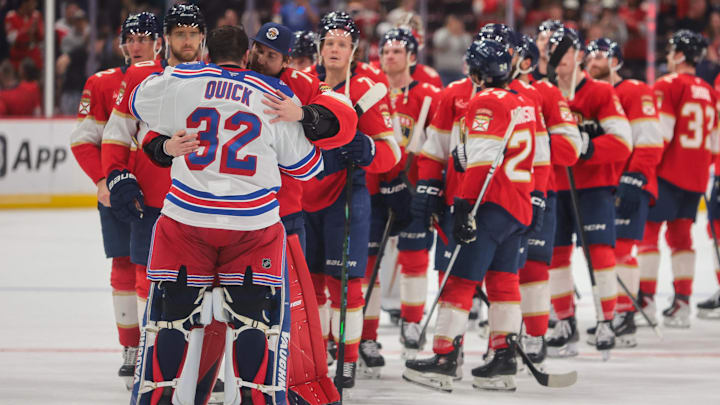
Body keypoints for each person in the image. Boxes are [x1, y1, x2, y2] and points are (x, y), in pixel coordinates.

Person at [128, 24, 324, 405]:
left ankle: (158, 397)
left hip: (187, 217)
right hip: (253, 225)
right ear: (247, 56)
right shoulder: (274, 93)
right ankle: (254, 398)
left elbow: (138, 103)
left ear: (205, 51)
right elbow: (306, 167)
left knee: (171, 319)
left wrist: (171, 133)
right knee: (253, 322)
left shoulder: (180, 78)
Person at [101, 5, 227, 402]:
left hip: (206, 201)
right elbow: (116, 132)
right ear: (166, 38)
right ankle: (148, 356)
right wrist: (116, 174)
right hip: (154, 200)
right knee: (149, 282)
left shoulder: (219, 78)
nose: (186, 41)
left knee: (211, 292)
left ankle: (203, 368)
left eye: (193, 33)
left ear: (202, 37)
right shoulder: (141, 75)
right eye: (179, 33)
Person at [403, 38, 537, 393]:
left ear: (477, 71)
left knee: (459, 281)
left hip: (488, 206)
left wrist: (463, 205)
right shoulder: (523, 102)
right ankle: (503, 358)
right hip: (517, 206)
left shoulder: (484, 102)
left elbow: (482, 160)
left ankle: (445, 359)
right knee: (504, 281)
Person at [303, 11, 400, 387]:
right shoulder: (303, 84)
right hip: (304, 197)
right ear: (319, 47)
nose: (334, 49)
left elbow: (391, 153)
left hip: (347, 198)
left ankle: (346, 358)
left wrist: (366, 148)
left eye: (342, 44)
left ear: (354, 49)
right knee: (310, 286)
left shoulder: (367, 87)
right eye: (329, 43)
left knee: (346, 284)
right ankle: (315, 352)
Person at [69, 12, 161, 388]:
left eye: (144, 37)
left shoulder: (171, 78)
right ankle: (132, 347)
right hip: (118, 194)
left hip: (159, 195)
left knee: (155, 272)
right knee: (125, 265)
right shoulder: (102, 82)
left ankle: (159, 346)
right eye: (131, 38)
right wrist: (103, 179)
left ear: (159, 42)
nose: (136, 45)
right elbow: (82, 140)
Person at [543, 27, 632, 358]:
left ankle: (606, 319)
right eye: (549, 53)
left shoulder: (600, 93)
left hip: (593, 187)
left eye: (561, 52)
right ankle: (565, 319)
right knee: (556, 255)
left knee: (600, 254)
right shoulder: (545, 92)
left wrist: (587, 147)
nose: (554, 59)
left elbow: (623, 142)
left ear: (578, 55)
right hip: (555, 187)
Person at [364, 27, 440, 361]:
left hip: (411, 189)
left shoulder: (428, 95)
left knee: (414, 255)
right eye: (386, 51)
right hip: (375, 190)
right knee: (367, 263)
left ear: (412, 57)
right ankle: (365, 335)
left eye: (397, 51)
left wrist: (425, 187)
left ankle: (412, 321)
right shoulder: (370, 93)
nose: (390, 56)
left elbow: (437, 146)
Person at [584, 38, 662, 347]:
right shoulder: (592, 95)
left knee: (621, 251)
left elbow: (650, 140)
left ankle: (625, 316)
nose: (593, 60)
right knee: (603, 253)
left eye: (600, 55)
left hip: (629, 183)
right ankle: (615, 311)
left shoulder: (635, 90)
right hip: (603, 186)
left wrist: (636, 177)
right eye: (589, 55)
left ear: (616, 60)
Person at [637, 30, 718, 328]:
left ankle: (644, 300)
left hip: (667, 173)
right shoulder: (708, 90)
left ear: (681, 55)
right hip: (696, 176)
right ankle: (682, 303)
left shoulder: (667, 84)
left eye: (672, 51)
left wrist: (643, 167)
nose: (669, 56)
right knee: (682, 238)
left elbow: (662, 134)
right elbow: (715, 143)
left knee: (648, 234)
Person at [517, 33, 582, 364]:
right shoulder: (485, 93)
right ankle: (501, 339)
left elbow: (571, 149)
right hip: (499, 195)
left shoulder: (546, 92)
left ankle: (536, 334)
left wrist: (529, 144)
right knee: (500, 269)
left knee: (538, 264)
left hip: (541, 192)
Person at [4, 0, 43, 71]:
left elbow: (41, 37)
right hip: (17, 60)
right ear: (24, 3)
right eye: (33, 2)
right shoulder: (11, 16)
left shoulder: (36, 15)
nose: (35, 5)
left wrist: (27, 33)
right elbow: (12, 39)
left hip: (34, 59)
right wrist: (28, 30)